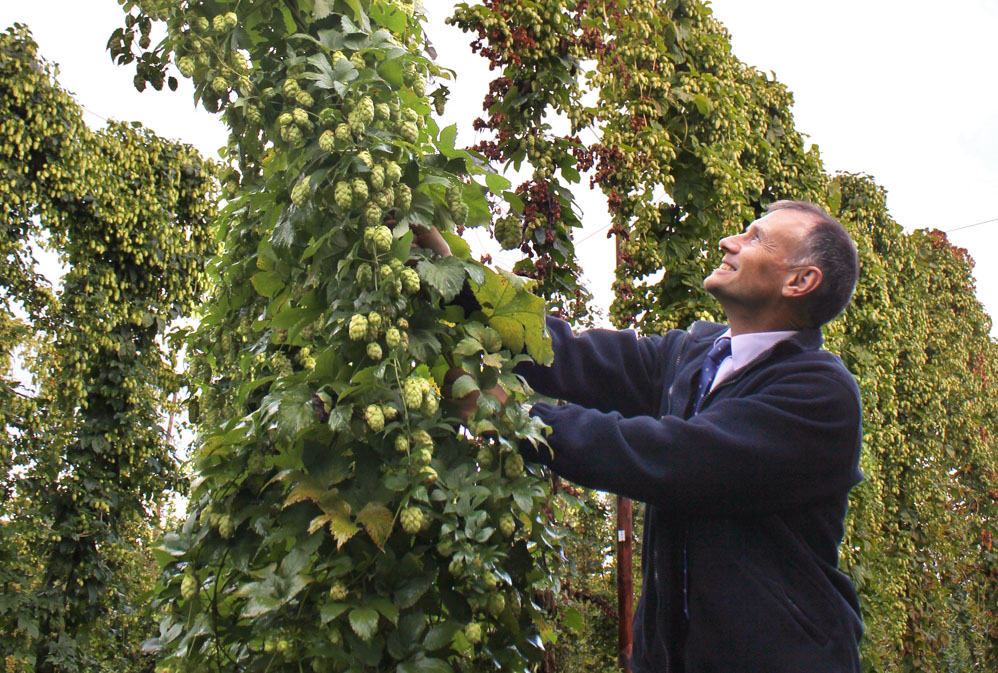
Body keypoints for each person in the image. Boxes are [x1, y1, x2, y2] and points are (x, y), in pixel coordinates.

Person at [416, 200, 864, 672]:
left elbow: (675, 461)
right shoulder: (693, 355)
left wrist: (516, 419)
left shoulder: (819, 394)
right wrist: (451, 278)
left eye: (755, 238)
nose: (728, 242)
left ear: (799, 281)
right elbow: (569, 355)